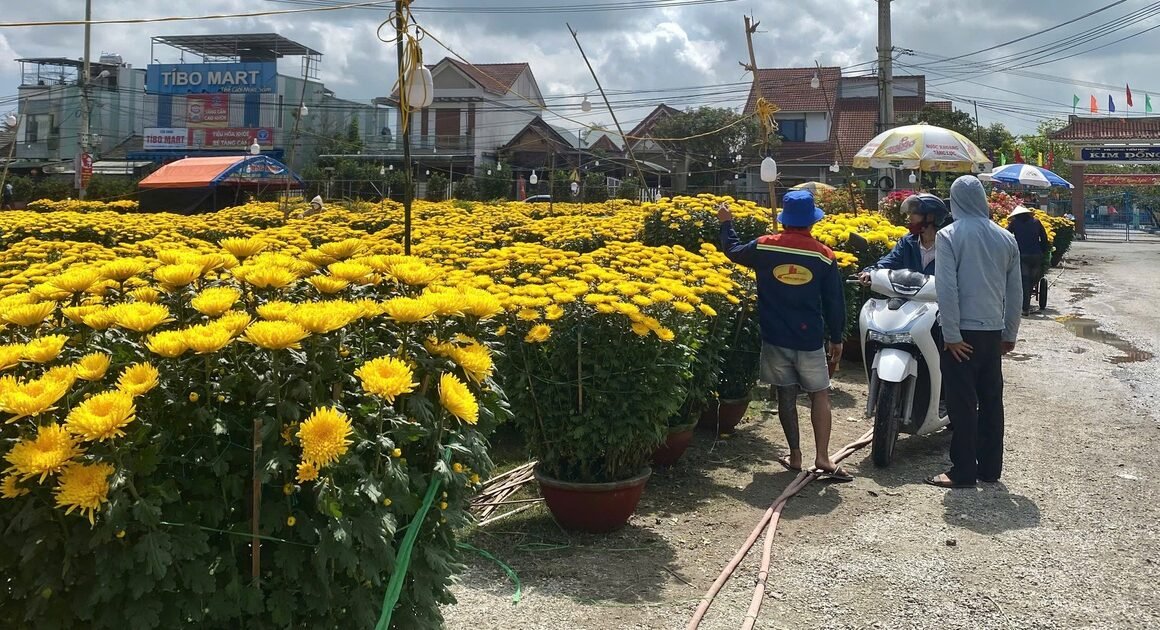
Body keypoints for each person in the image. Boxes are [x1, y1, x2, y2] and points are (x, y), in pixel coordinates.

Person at [718, 191, 852, 481]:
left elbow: (733, 251)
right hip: (810, 339)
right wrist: (837, 338)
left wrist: (726, 223)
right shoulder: (824, 255)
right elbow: (834, 302)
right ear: (812, 222)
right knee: (820, 395)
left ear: (785, 219)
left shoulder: (765, 247)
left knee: (786, 395)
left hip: (775, 336)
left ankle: (795, 455)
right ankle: (824, 458)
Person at [927, 175, 1022, 489]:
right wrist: (1010, 333)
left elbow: (947, 288)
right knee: (992, 401)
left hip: (961, 336)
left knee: (962, 403)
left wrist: (952, 335)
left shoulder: (948, 235)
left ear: (954, 201)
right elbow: (1015, 291)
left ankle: (963, 472)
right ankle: (990, 469)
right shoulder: (1006, 238)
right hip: (992, 333)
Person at [859, 193, 948, 281]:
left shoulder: (948, 244)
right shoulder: (907, 241)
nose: (909, 218)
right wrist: (870, 271)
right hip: (908, 294)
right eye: (909, 213)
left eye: (914, 213)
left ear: (930, 216)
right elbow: (891, 260)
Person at [1006, 205, 1051, 316]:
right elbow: (1044, 239)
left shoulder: (1015, 223)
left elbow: (1005, 235)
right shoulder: (1036, 222)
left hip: (1022, 255)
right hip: (1036, 256)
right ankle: (1026, 304)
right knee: (1032, 279)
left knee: (1024, 279)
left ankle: (1025, 308)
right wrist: (1043, 251)